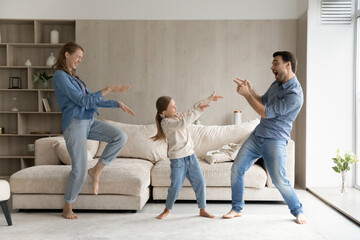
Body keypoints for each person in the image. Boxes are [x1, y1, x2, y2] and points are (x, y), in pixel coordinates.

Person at [53, 42, 135, 220]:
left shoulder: (74, 78)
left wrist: (116, 103)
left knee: (120, 136)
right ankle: (68, 206)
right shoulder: (60, 76)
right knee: (80, 169)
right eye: (78, 57)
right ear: (67, 55)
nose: (80, 61)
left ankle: (96, 170)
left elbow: (91, 101)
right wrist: (109, 88)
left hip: (89, 121)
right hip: (75, 124)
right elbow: (82, 100)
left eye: (81, 58)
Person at [222, 51, 307, 224]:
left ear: (288, 64)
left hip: (275, 140)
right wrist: (251, 90)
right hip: (258, 135)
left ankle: (298, 210)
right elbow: (264, 100)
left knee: (279, 180)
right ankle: (237, 208)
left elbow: (265, 112)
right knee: (237, 169)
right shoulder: (277, 84)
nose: (272, 67)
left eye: (276, 63)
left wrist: (246, 94)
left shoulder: (295, 95)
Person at [151, 92, 223, 219]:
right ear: (164, 112)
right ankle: (167, 210)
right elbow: (183, 123)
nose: (176, 108)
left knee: (200, 182)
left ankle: (202, 209)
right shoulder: (166, 123)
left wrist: (209, 99)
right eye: (172, 107)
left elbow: (194, 108)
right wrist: (198, 111)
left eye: (175, 105)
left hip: (191, 156)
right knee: (175, 186)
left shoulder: (177, 116)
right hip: (177, 160)